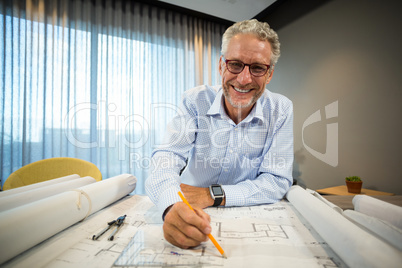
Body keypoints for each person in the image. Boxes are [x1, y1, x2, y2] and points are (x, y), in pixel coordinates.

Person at [145, 19, 293, 249]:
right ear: (221, 65)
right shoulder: (195, 101)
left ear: (269, 73)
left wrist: (212, 194)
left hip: (250, 218)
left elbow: (277, 180)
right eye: (235, 64)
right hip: (189, 209)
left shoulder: (281, 109)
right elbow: (166, 157)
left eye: (257, 68)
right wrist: (171, 207)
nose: (244, 79)